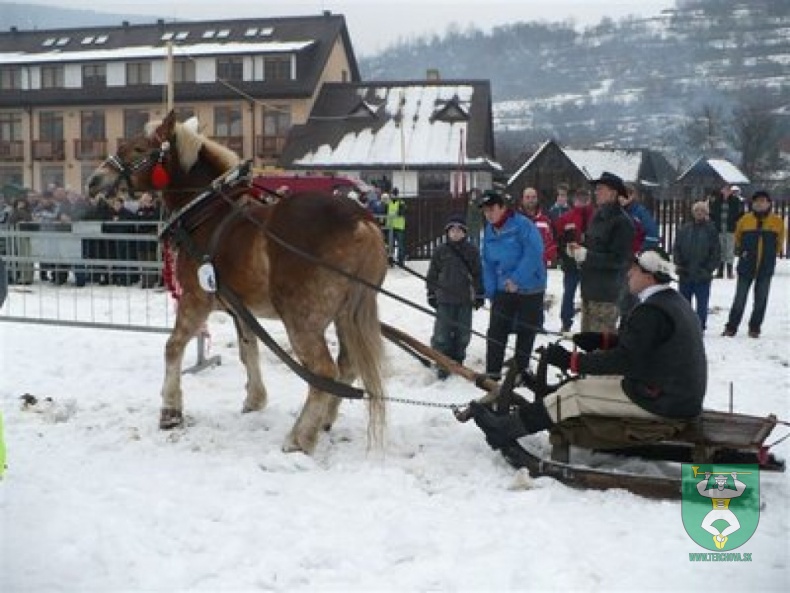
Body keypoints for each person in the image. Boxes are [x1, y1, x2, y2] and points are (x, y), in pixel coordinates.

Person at [470, 248, 707, 448]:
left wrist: (570, 361)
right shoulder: (671, 302)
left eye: (634, 271)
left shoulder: (651, 311)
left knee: (576, 393)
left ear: (650, 276)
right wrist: (599, 340)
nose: (628, 275)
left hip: (662, 401)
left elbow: (624, 360)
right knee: (580, 386)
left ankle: (504, 430)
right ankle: (516, 422)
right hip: (673, 393)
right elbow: (642, 345)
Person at [479, 190, 547, 380]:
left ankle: (521, 370)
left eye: (492, 209)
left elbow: (534, 253)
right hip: (503, 289)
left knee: (526, 330)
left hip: (530, 287)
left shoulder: (522, 225)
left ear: (502, 208)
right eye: (485, 211)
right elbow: (488, 263)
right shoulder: (490, 232)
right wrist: (491, 291)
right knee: (496, 330)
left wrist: (517, 279)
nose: (489, 214)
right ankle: (493, 371)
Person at [566, 172, 634, 333]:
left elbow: (619, 260)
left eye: (600, 189)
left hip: (607, 295)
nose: (595, 192)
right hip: (589, 290)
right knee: (587, 345)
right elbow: (592, 245)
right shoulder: (598, 216)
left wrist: (587, 256)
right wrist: (577, 249)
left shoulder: (622, 222)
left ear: (613, 192)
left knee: (601, 348)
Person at [426, 214, 485, 379]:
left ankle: (458, 359)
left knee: (463, 334)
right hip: (444, 299)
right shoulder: (441, 251)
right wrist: (431, 292)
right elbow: (432, 274)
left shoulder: (471, 251)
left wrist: (479, 293)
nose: (456, 233)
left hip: (465, 299)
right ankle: (442, 362)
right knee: (442, 334)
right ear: (447, 232)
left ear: (465, 232)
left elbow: (478, 274)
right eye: (452, 230)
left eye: (459, 230)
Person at [722, 190, 785, 339]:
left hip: (765, 267)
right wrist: (743, 253)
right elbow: (737, 239)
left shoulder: (777, 221)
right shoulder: (744, 220)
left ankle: (755, 328)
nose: (760, 204)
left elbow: (779, 243)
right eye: (757, 201)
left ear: (769, 203)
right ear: (752, 204)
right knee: (739, 299)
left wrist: (769, 257)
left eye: (763, 201)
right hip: (746, 266)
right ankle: (731, 327)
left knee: (761, 299)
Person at [673, 200, 721, 331]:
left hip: (702, 275)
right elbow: (676, 247)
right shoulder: (684, 228)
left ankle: (700, 327)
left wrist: (707, 270)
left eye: (702, 211)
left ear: (706, 213)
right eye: (697, 211)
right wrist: (679, 264)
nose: (699, 213)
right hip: (685, 273)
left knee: (702, 304)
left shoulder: (711, 230)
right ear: (693, 213)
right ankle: (685, 328)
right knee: (684, 304)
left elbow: (716, 253)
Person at [553, 187, 595, 332]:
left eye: (585, 199)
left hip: (590, 264)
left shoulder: (596, 218)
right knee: (569, 293)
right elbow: (558, 238)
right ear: (574, 200)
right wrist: (564, 252)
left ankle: (589, 324)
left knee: (589, 295)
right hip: (571, 264)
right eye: (579, 199)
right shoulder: (566, 218)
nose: (581, 202)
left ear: (589, 200)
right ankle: (566, 322)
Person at [709, 184, 743, 279]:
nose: (726, 191)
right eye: (724, 189)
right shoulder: (717, 201)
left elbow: (740, 213)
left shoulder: (735, 201)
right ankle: (720, 271)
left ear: (730, 191)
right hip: (719, 229)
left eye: (728, 190)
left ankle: (729, 271)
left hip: (730, 229)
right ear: (722, 190)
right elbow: (712, 213)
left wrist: (735, 221)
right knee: (720, 250)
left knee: (729, 250)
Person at [517, 187, 557, 268]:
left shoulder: (545, 220)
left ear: (537, 199)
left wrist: (546, 259)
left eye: (533, 197)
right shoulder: (515, 220)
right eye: (527, 197)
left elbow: (550, 243)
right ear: (522, 199)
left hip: (539, 267)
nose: (531, 200)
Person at [385, 188, 407, 266]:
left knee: (400, 245)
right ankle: (391, 260)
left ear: (396, 194)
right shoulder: (388, 203)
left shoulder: (401, 203)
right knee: (390, 245)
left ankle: (401, 261)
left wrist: (398, 212)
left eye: (393, 194)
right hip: (390, 226)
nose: (391, 195)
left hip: (399, 226)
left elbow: (403, 212)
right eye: (391, 194)